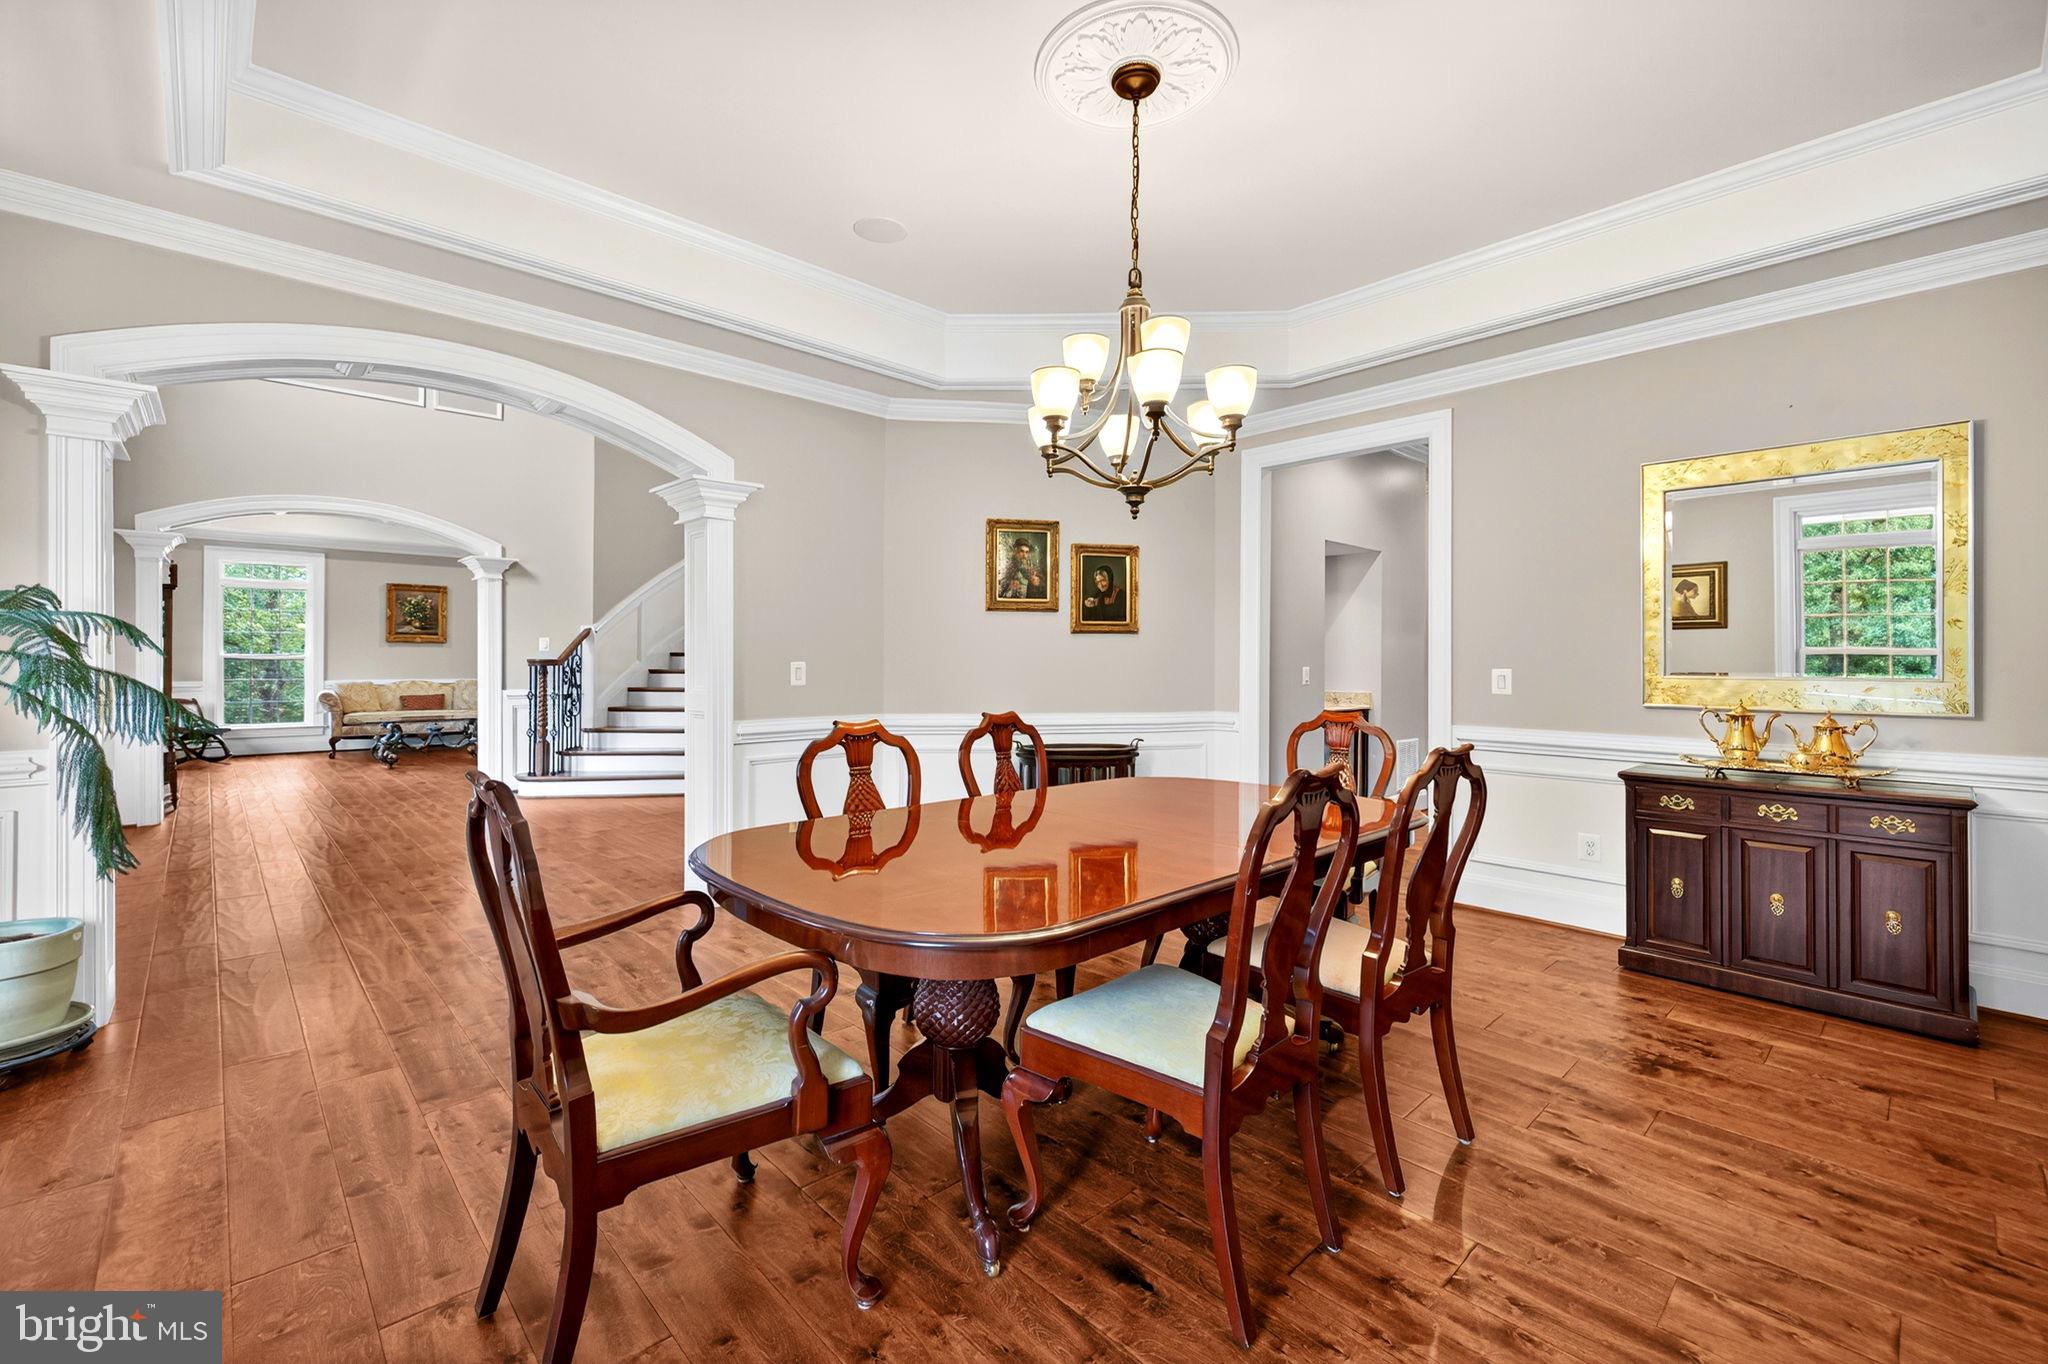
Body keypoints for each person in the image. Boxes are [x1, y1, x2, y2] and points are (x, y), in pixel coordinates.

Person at [997, 536, 1044, 600]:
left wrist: (1037, 582)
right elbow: (999, 586)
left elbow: (1043, 584)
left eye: (1027, 552)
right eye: (1021, 551)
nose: (1024, 555)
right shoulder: (1008, 566)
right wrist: (1010, 583)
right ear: (1015, 552)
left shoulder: (1031, 566)